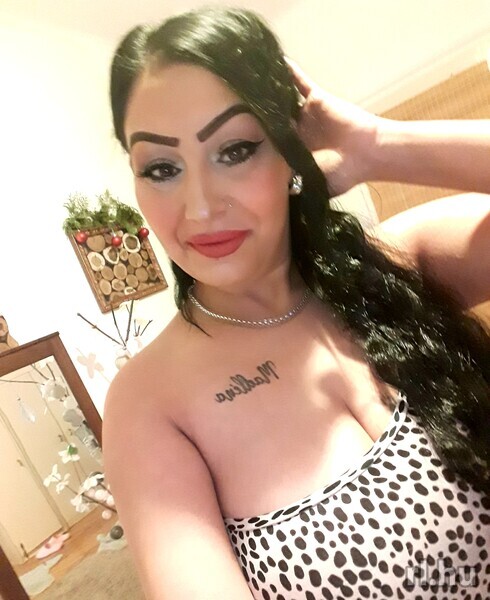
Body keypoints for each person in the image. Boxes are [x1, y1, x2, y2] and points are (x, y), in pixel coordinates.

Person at [102, 7, 490, 599]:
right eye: (161, 167)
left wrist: (377, 145)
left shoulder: (402, 265)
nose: (200, 207)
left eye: (235, 150)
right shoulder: (148, 405)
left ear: (289, 148)